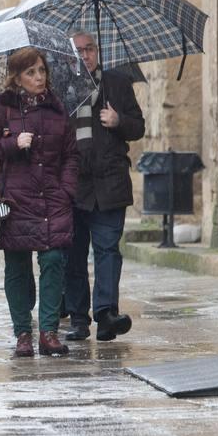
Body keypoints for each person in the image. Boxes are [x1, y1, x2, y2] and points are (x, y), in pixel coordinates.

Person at [0, 46, 78, 358]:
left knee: (53, 261)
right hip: (15, 199)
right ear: (17, 78)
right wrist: (10, 143)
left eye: (42, 71)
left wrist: (67, 190)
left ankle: (48, 332)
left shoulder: (58, 109)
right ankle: (22, 332)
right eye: (30, 72)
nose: (38, 77)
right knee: (17, 267)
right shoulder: (1, 109)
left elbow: (71, 154)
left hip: (52, 197)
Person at [64, 30, 146, 342]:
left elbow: (138, 126)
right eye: (79, 51)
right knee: (73, 254)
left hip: (110, 183)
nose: (85, 56)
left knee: (108, 250)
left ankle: (106, 313)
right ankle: (78, 318)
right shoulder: (61, 89)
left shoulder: (117, 83)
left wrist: (119, 120)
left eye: (90, 49)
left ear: (98, 52)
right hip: (74, 185)